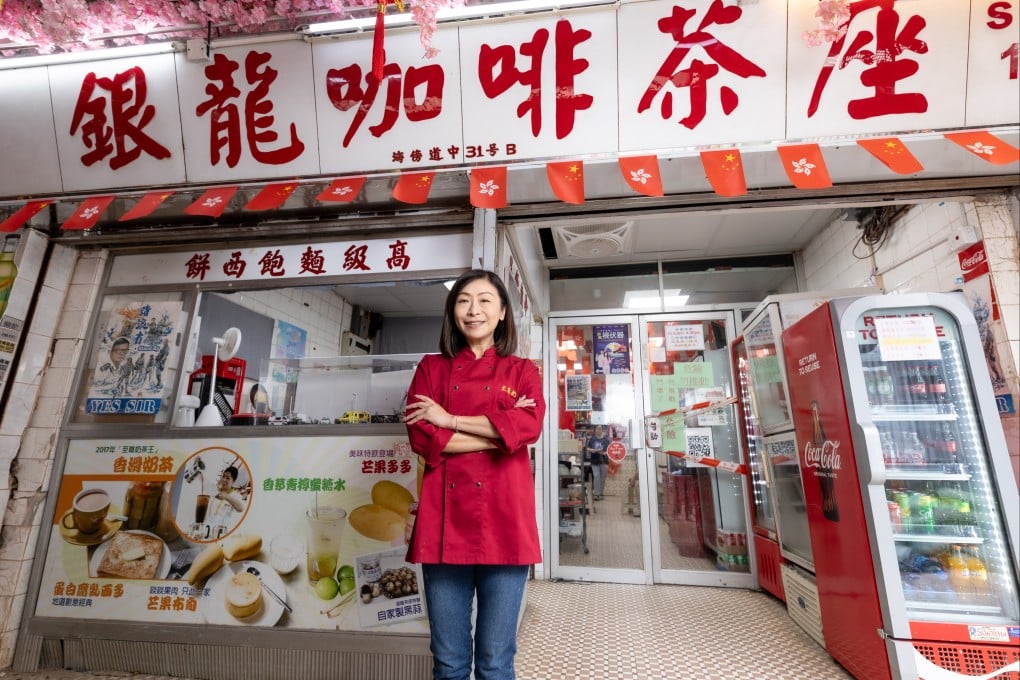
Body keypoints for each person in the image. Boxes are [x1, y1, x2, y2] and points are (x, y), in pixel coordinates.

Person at [403, 269, 545, 680]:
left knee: (496, 662)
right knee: (448, 663)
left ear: (502, 312)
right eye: (464, 300)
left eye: (485, 300)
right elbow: (423, 437)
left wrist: (450, 419)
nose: (473, 309)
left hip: (506, 524)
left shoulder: (522, 371)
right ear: (453, 311)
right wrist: (501, 432)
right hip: (443, 526)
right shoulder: (431, 368)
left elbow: (529, 427)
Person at [585, 424, 611, 500]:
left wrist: (605, 453)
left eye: (600, 429)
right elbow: (587, 448)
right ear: (595, 430)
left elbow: (610, 449)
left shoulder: (606, 439)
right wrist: (592, 450)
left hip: (604, 460)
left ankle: (601, 494)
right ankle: (596, 494)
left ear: (602, 429)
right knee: (596, 476)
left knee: (602, 478)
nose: (598, 430)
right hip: (594, 460)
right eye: (597, 429)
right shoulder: (592, 439)